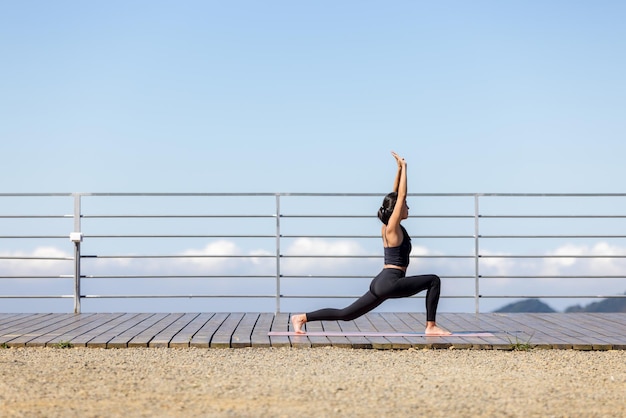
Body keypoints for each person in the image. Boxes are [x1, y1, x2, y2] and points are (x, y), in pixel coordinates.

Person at [290, 151, 451, 335]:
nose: (407, 207)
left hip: (382, 281)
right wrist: (406, 168)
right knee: (433, 281)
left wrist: (398, 169)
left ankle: (301, 317)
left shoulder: (388, 227)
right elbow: (400, 196)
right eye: (405, 205)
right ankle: (431, 326)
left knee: (346, 314)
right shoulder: (392, 228)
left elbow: (396, 195)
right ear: (396, 209)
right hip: (390, 281)